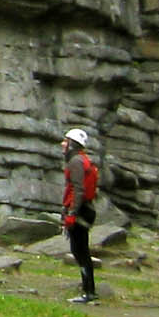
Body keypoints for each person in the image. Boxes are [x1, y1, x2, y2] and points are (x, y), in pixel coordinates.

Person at [61, 126, 103, 304]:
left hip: (81, 211)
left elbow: (78, 190)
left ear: (72, 144)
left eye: (65, 141)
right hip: (85, 209)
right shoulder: (82, 160)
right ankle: (88, 290)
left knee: (80, 251)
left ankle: (88, 292)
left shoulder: (76, 162)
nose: (62, 144)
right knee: (80, 251)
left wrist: (72, 214)